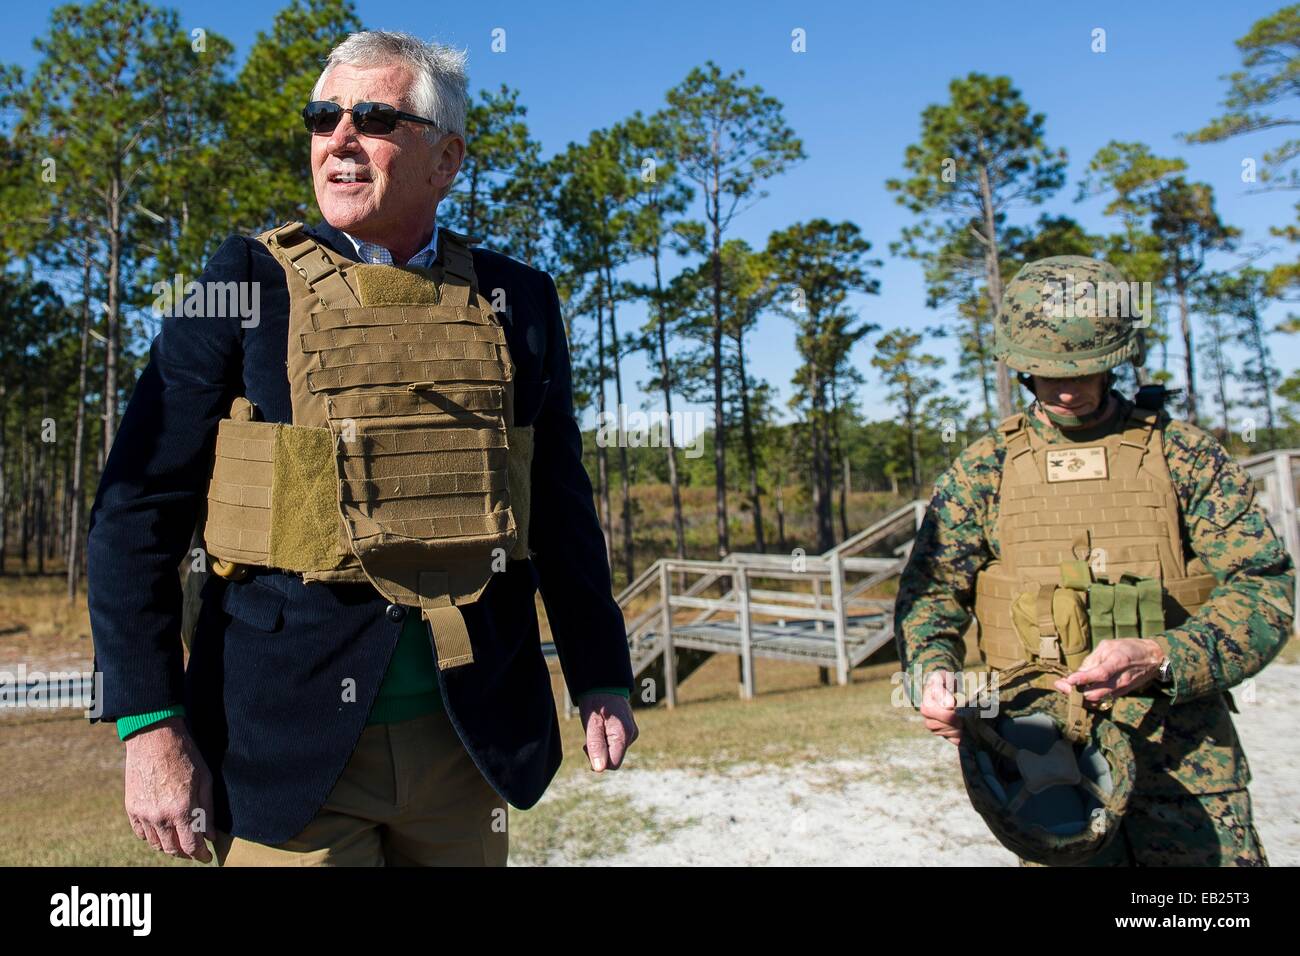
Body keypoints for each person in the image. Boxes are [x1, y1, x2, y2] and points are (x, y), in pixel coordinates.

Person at [87, 30, 637, 867]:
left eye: (373, 118)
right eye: (323, 117)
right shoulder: (243, 281)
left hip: (469, 742)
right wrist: (148, 721)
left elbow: (557, 502)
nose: (338, 138)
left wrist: (600, 672)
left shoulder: (516, 296)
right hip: (280, 751)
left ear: (446, 159)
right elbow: (137, 508)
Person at [894, 255, 1293, 866]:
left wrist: (1165, 654)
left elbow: (1265, 588)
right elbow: (931, 595)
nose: (1065, 390)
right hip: (1044, 761)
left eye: (1083, 371)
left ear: (1118, 359)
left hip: (1186, 762)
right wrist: (930, 674)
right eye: (1046, 374)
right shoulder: (983, 470)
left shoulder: (1184, 456)